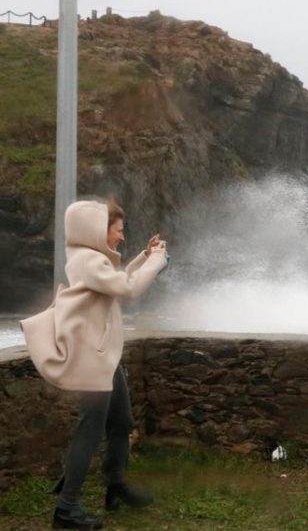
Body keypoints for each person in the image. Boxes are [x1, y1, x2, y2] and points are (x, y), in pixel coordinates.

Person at [20, 199, 168, 530]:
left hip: (102, 356)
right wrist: (157, 261)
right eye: (117, 231)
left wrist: (144, 257)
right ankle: (66, 509)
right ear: (96, 232)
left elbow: (115, 284)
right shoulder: (88, 261)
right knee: (90, 430)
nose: (120, 236)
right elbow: (128, 289)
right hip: (91, 359)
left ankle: (115, 486)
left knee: (122, 421)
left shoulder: (92, 261)